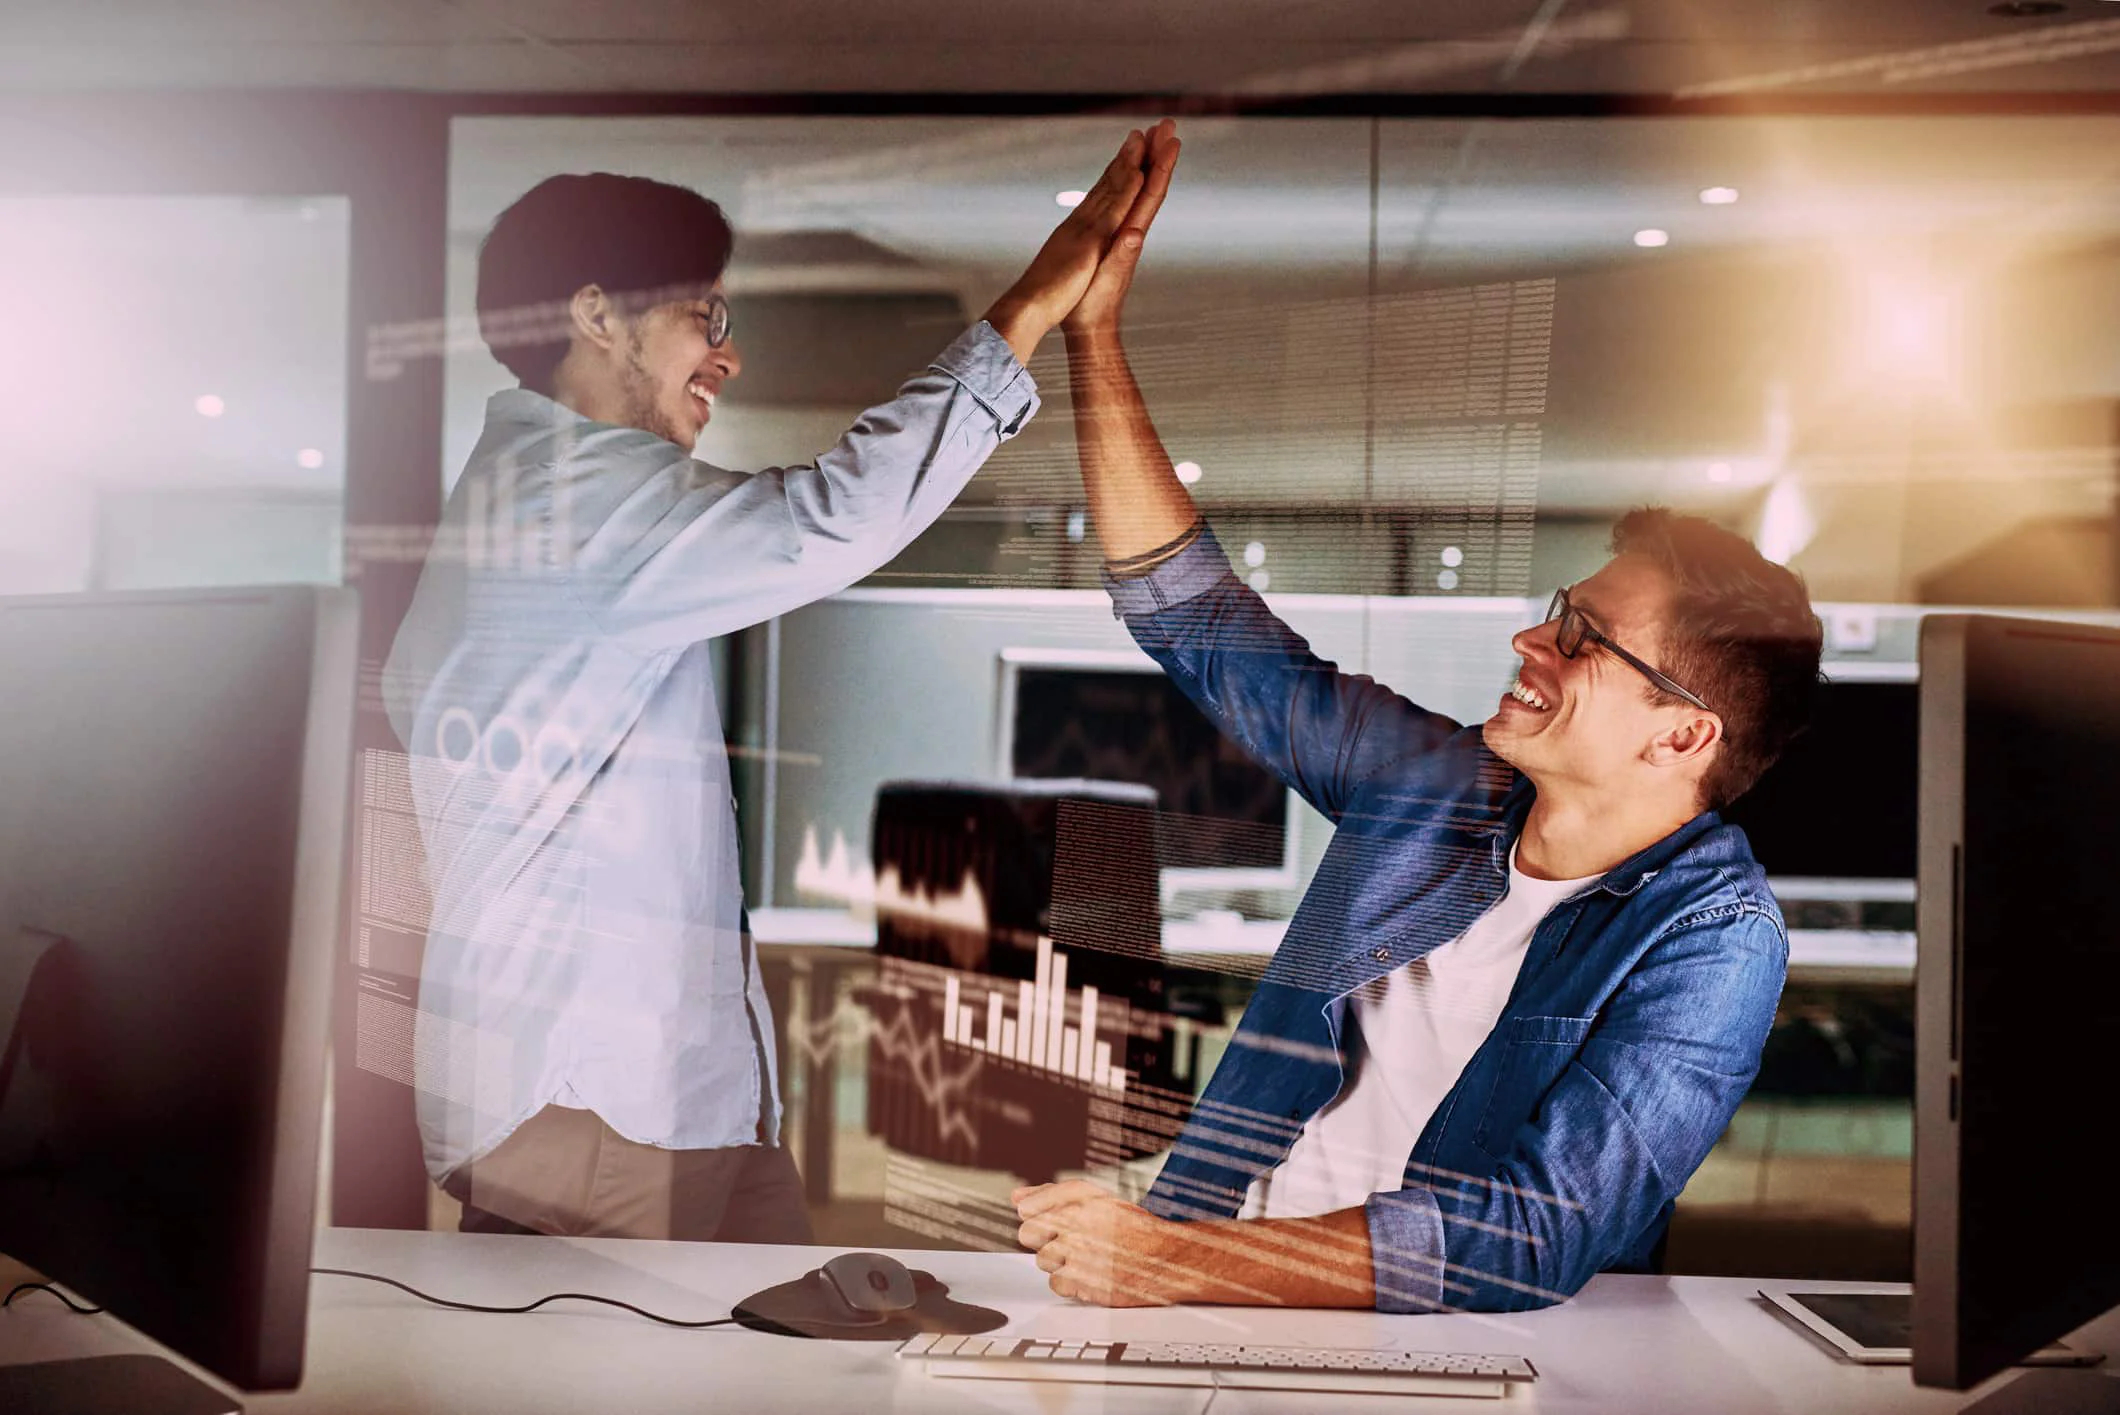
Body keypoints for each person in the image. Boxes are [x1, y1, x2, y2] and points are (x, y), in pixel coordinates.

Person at [1013, 118, 1824, 1313]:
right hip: (1190, 1296)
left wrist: (1165, 1257)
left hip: (1432, 1350)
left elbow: (1531, 1233)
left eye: (1584, 641)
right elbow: (1196, 620)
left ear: (1679, 732)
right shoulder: (1435, 784)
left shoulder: (1711, 937)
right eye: (1559, 611)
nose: (1528, 642)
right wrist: (1092, 335)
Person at [384, 131, 1165, 1242]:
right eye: (707, 318)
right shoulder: (567, 506)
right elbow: (832, 515)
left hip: (646, 1103)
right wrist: (1031, 305)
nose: (727, 354)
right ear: (597, 314)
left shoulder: (534, 504)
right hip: (595, 1106)